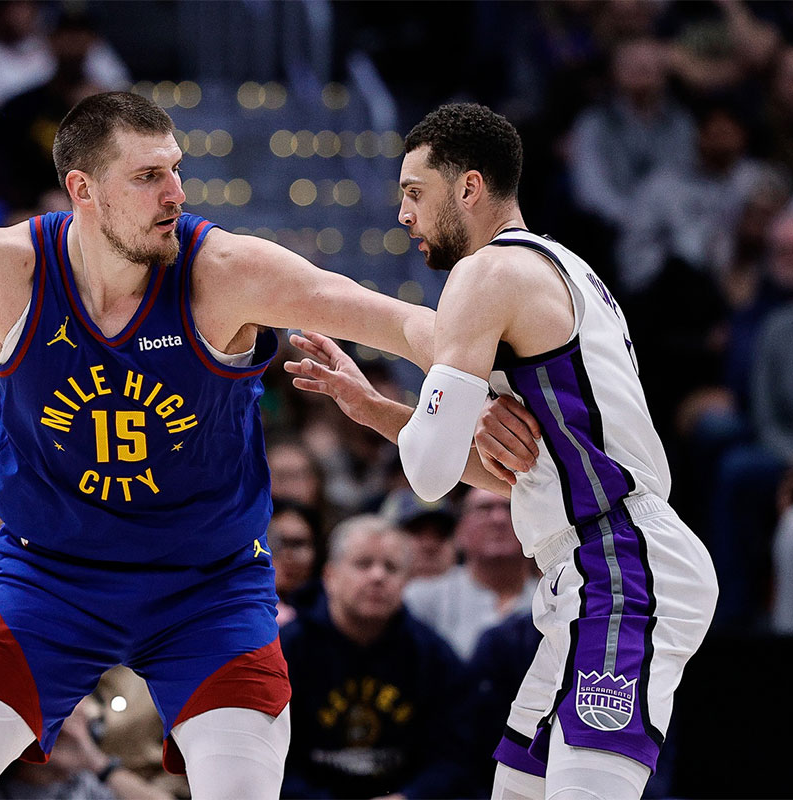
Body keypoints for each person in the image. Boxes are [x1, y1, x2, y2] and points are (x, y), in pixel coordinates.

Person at [0, 91, 524, 799]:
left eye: (177, 170)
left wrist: (519, 358)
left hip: (209, 586)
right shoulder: (2, 266)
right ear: (83, 190)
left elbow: (403, 320)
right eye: (150, 175)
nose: (175, 192)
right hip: (49, 577)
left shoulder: (223, 271)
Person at [286, 103, 719, 799]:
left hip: (621, 565)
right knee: (516, 788)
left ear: (469, 189)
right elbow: (500, 471)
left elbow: (427, 475)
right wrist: (376, 410)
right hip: (589, 568)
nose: (403, 214)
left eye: (413, 193)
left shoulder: (487, 275)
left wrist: (457, 411)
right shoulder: (561, 269)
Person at [279, 514, 472, 798]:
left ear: (406, 582)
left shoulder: (433, 655)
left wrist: (411, 796)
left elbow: (456, 757)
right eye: (363, 564)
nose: (378, 576)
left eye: (391, 568)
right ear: (330, 576)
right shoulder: (289, 650)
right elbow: (271, 758)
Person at [404, 488, 537, 661]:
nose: (499, 519)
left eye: (511, 508)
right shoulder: (420, 599)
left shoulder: (556, 599)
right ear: (459, 531)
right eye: (484, 509)